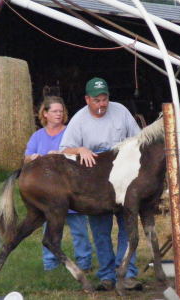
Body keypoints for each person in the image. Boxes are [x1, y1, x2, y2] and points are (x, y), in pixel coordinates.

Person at [59, 77, 142, 291]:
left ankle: (128, 273)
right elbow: (64, 149)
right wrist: (81, 150)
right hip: (95, 184)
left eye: (105, 99)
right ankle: (107, 276)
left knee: (128, 226)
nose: (102, 104)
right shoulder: (79, 120)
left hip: (123, 180)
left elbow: (140, 140)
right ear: (87, 100)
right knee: (100, 230)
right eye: (97, 100)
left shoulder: (121, 111)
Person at [24, 95, 93, 272]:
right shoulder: (38, 136)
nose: (59, 114)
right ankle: (50, 266)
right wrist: (33, 158)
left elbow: (82, 154)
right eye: (54, 111)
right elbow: (26, 158)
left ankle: (84, 264)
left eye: (61, 111)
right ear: (45, 114)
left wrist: (64, 154)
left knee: (79, 230)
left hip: (72, 191)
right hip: (50, 196)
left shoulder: (70, 131)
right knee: (51, 230)